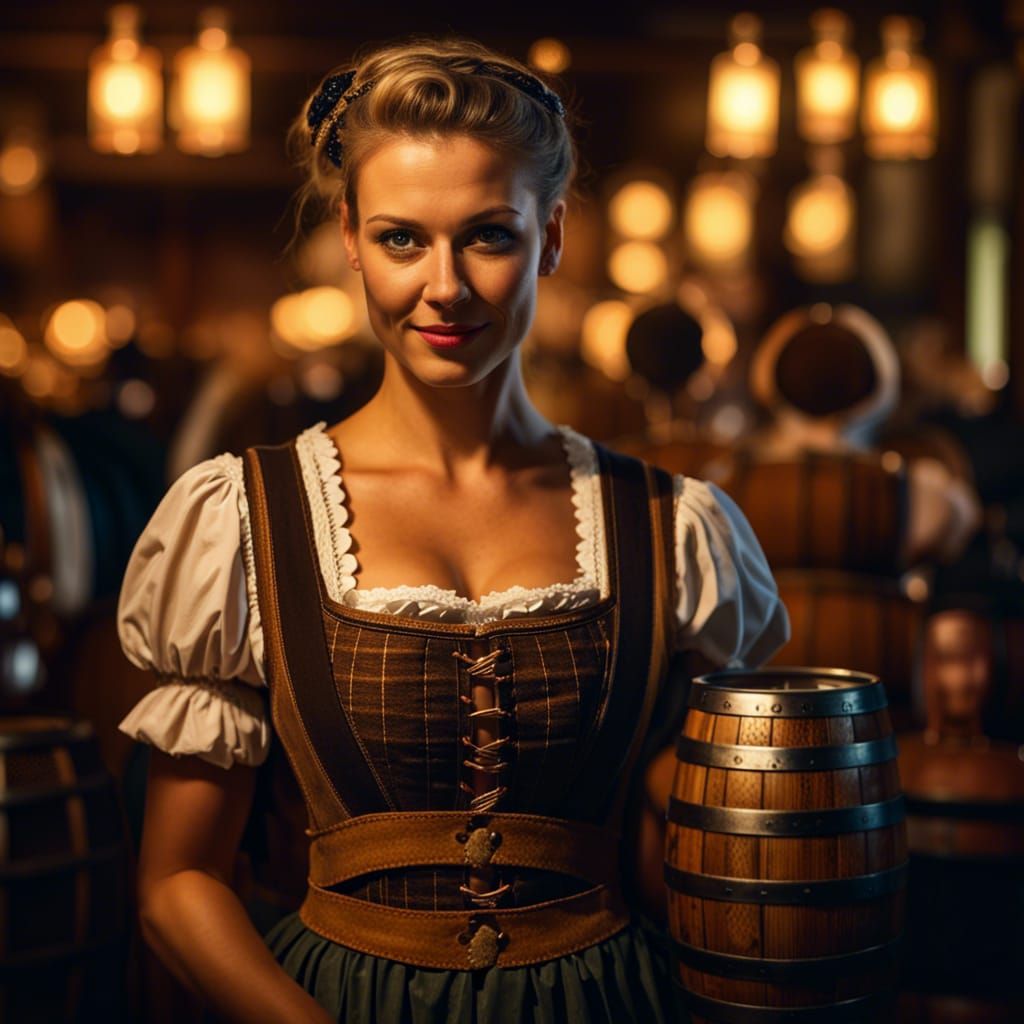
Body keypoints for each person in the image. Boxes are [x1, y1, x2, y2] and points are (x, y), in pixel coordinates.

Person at [116, 37, 789, 1024]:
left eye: (486, 236)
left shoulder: (670, 527)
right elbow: (176, 887)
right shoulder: (245, 517)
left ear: (551, 235)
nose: (444, 287)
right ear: (347, 234)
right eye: (400, 239)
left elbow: (704, 871)